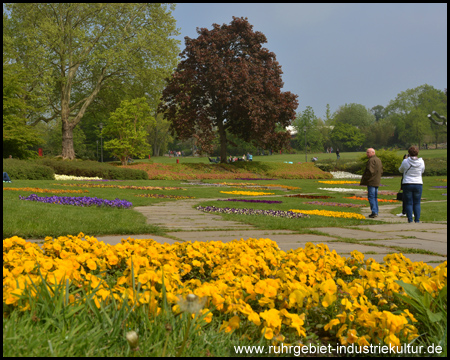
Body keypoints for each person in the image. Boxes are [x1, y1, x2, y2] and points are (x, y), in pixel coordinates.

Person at [399, 146, 425, 223]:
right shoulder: (421, 161)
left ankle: (410, 219)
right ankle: (417, 219)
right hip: (418, 182)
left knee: (408, 202)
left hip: (407, 182)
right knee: (417, 202)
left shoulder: (405, 161)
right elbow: (422, 171)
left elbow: (400, 170)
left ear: (409, 153)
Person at [360, 148, 383, 218]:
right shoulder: (378, 160)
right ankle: (376, 211)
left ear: (372, 152)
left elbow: (370, 171)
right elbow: (381, 170)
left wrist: (365, 179)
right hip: (377, 180)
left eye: (368, 152)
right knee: (375, 197)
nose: (367, 154)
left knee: (371, 197)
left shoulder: (371, 160)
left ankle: (374, 212)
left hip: (371, 181)